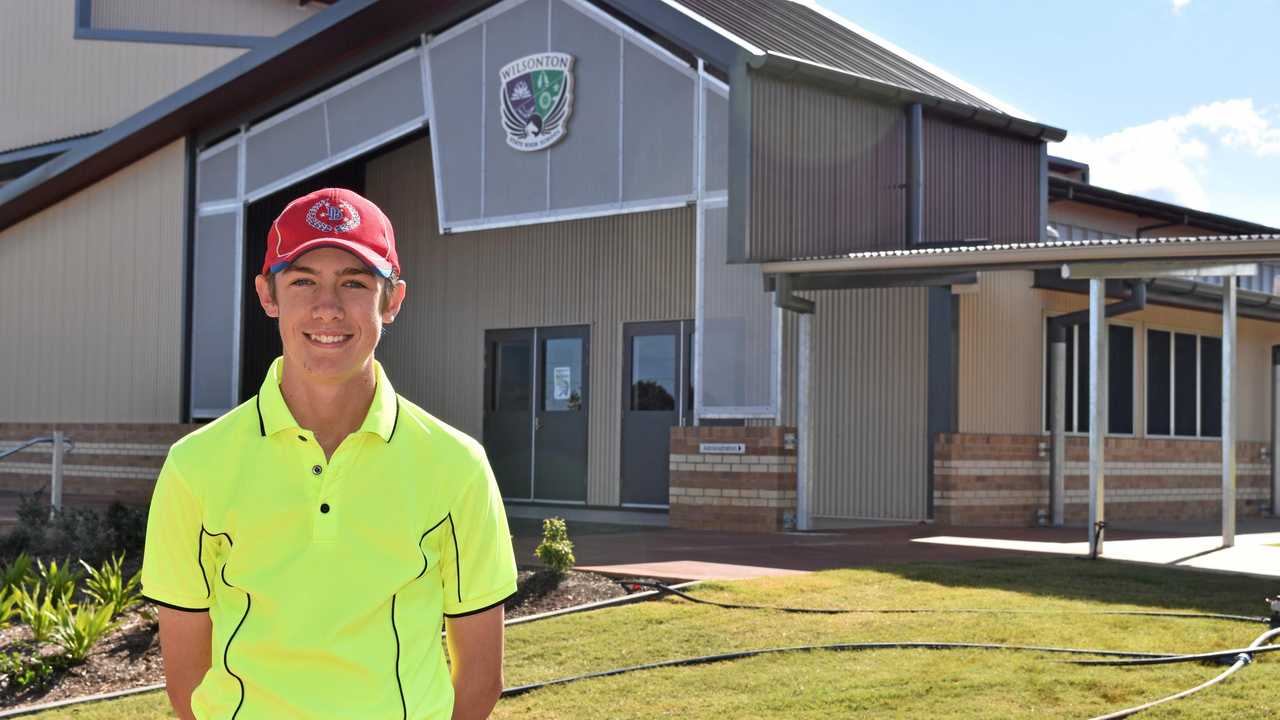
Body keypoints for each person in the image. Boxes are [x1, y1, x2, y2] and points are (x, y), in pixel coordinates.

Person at [140, 188, 517, 720]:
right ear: (267, 295)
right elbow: (187, 680)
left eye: (355, 283)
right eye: (302, 281)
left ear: (393, 300)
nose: (327, 308)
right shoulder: (194, 467)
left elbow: (480, 675)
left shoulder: (457, 465)